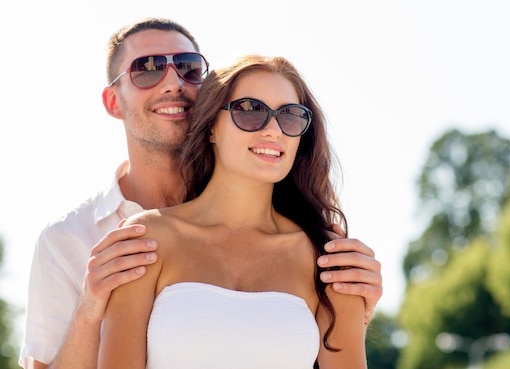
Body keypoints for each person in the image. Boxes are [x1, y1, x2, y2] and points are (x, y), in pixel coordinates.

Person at [20, 18, 382, 369]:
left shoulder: (326, 253)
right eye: (146, 69)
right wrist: (89, 307)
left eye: (189, 68)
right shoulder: (106, 239)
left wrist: (358, 313)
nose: (173, 82)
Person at [98, 54, 367, 368]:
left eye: (291, 116)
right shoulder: (147, 238)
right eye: (251, 111)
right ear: (212, 126)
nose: (274, 131)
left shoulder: (327, 256)